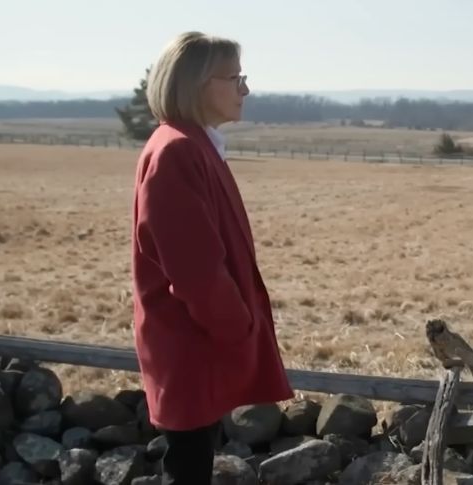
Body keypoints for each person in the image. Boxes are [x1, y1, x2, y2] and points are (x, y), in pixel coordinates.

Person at [130, 31, 293, 484]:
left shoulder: (193, 146)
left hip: (197, 345)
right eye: (235, 78)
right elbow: (196, 271)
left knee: (194, 460)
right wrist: (238, 328)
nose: (245, 89)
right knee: (189, 467)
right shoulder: (178, 151)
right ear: (200, 84)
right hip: (192, 345)